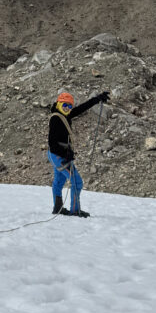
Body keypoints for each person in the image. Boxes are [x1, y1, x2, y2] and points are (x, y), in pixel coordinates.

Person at [47, 89, 109, 217]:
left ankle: (57, 208)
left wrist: (97, 99)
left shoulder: (65, 115)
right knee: (77, 182)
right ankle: (75, 210)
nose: (67, 108)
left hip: (57, 155)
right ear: (58, 104)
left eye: (70, 106)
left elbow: (81, 108)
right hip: (58, 156)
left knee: (59, 182)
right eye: (65, 105)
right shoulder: (56, 119)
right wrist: (65, 154)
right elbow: (52, 143)